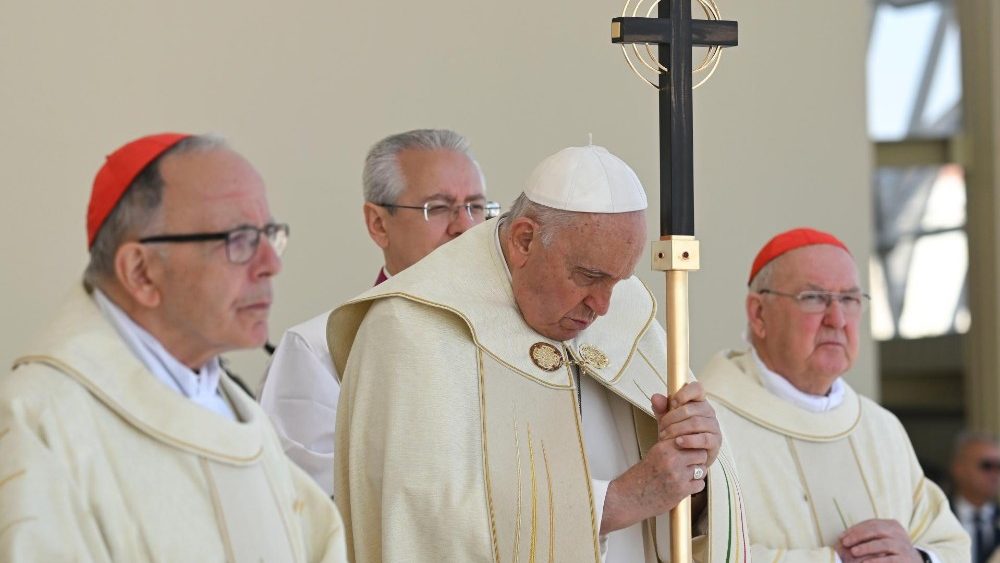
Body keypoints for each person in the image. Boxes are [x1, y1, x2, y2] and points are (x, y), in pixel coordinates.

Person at [329, 145, 749, 562]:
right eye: (588, 276)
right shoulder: (410, 327)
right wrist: (617, 501)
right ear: (524, 240)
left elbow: (670, 513)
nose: (603, 307)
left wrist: (695, 466)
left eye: (619, 281)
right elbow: (419, 523)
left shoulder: (625, 310)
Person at [0, 133, 347, 561]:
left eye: (268, 234)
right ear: (141, 272)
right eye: (239, 239)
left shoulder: (240, 416)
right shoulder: (38, 423)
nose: (271, 265)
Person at [698, 227, 969, 562]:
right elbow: (690, 552)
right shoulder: (706, 425)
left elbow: (951, 544)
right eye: (813, 298)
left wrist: (919, 558)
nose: (837, 319)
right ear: (759, 314)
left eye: (850, 300)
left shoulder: (881, 428)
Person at [259, 129, 498, 495]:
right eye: (437, 207)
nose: (464, 226)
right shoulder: (318, 349)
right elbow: (314, 508)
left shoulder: (517, 336)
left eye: (476, 207)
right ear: (378, 224)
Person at [950, 432, 1000, 563]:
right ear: (959, 468)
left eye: (999, 466)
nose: (995, 474)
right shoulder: (937, 516)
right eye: (986, 466)